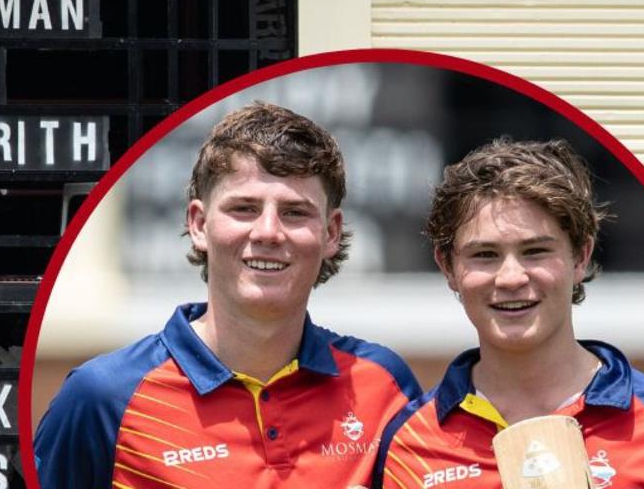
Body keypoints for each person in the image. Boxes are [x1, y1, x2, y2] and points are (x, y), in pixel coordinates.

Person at [34, 102, 421, 488]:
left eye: (295, 213)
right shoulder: (103, 397)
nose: (268, 232)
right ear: (199, 224)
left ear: (331, 233)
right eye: (244, 208)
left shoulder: (384, 384)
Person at [374, 138, 644, 489]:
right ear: (447, 266)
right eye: (484, 255)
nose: (511, 278)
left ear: (581, 256)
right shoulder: (408, 444)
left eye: (535, 251)